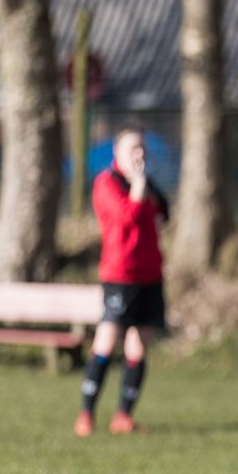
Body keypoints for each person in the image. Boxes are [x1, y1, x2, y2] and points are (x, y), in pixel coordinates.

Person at [74, 126, 169, 436]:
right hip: (120, 276)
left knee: (138, 346)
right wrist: (139, 186)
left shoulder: (146, 184)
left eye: (142, 148)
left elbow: (162, 213)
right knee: (106, 340)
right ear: (117, 154)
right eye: (132, 149)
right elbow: (127, 216)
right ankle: (86, 414)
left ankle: (123, 416)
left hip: (149, 276)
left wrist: (144, 187)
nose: (139, 155)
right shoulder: (107, 184)